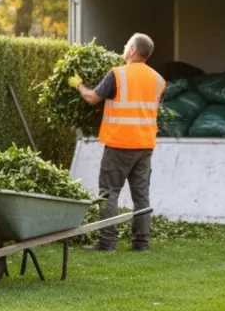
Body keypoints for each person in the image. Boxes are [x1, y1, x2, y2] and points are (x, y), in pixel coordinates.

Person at [69, 33, 166, 251]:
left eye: (125, 45)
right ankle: (141, 244)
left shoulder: (118, 75)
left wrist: (79, 85)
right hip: (145, 145)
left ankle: (107, 242)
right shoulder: (159, 80)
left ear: (132, 50)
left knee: (109, 192)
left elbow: (93, 99)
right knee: (141, 196)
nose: (124, 49)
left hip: (120, 144)